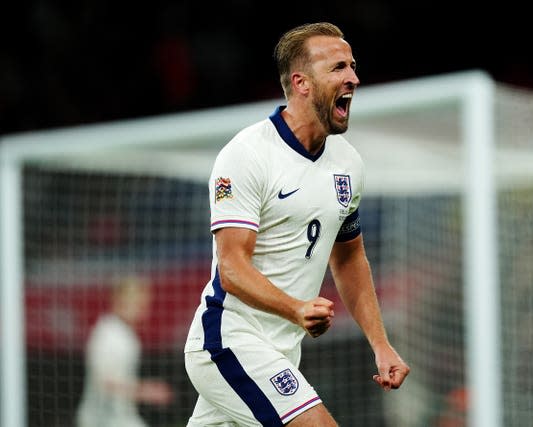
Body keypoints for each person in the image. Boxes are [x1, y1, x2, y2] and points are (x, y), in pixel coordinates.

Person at [183, 21, 410, 426]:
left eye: (353, 66)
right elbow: (232, 269)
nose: (354, 78)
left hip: (282, 350)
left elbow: (349, 259)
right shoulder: (248, 155)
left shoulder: (347, 164)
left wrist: (381, 344)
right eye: (339, 67)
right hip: (229, 340)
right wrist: (295, 308)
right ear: (302, 83)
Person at [76, 276, 174, 427]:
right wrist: (146, 392)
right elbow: (105, 380)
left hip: (120, 416)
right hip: (101, 419)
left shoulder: (124, 333)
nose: (144, 311)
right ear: (121, 302)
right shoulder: (108, 333)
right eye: (140, 305)